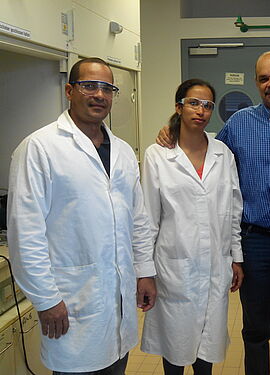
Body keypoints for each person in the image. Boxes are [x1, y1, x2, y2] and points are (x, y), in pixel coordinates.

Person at [158, 51, 270, 375]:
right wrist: (172, 130)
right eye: (264, 78)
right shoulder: (239, 124)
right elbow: (204, 155)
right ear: (257, 83)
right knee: (256, 331)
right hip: (256, 243)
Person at [7, 57, 157, 375]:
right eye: (89, 85)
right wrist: (46, 299)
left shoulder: (123, 151)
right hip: (70, 301)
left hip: (116, 301)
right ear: (69, 90)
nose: (99, 95)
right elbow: (25, 233)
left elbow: (138, 219)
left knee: (117, 364)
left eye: (107, 88)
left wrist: (144, 271)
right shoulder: (39, 148)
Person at [140, 79, 244, 375]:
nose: (201, 110)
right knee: (174, 344)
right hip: (174, 268)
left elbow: (234, 210)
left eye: (208, 105)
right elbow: (148, 219)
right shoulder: (158, 155)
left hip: (215, 265)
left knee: (207, 345)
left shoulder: (223, 154)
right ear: (179, 107)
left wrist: (237, 257)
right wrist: (145, 271)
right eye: (194, 103)